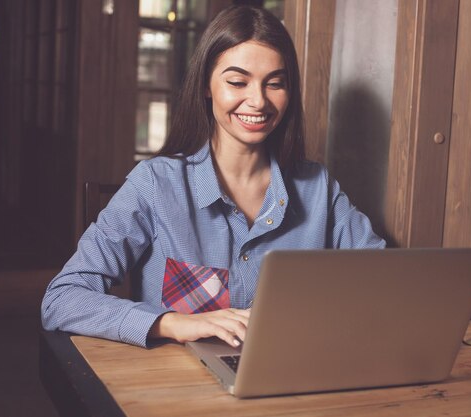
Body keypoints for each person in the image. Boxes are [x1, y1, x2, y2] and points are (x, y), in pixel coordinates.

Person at [41, 5, 385, 349]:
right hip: (180, 389)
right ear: (206, 85)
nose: (258, 101)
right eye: (237, 82)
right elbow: (62, 299)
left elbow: (386, 283)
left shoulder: (318, 188)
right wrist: (172, 323)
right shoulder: (155, 184)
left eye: (275, 84)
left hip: (292, 376)